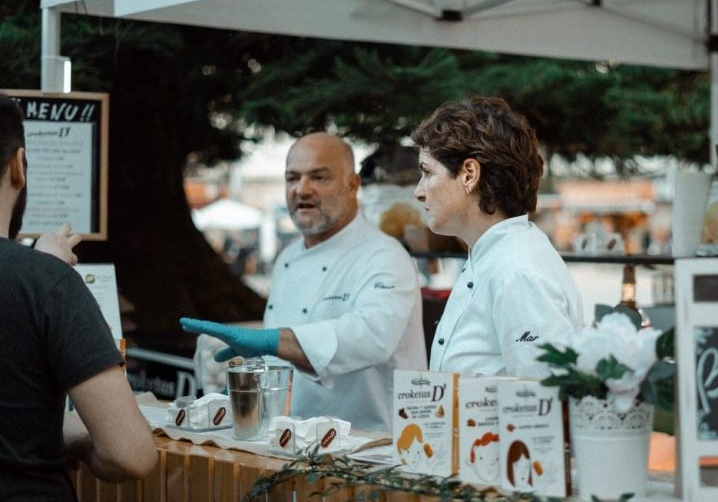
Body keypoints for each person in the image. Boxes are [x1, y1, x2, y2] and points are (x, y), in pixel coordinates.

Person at [184, 132, 426, 432]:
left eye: (319, 178)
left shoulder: (385, 256)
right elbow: (284, 362)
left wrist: (272, 341)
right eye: (292, 178)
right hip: (293, 441)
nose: (302, 189)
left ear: (353, 186)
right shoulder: (287, 259)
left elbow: (372, 337)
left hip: (368, 446)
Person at [0, 93, 157, 500]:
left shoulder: (40, 278)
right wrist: (79, 440)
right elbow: (130, 455)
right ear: (19, 166)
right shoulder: (47, 283)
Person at [412, 96, 582, 377]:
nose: (419, 191)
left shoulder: (518, 271)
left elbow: (542, 400)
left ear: (469, 174)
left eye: (428, 172)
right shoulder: (498, 255)